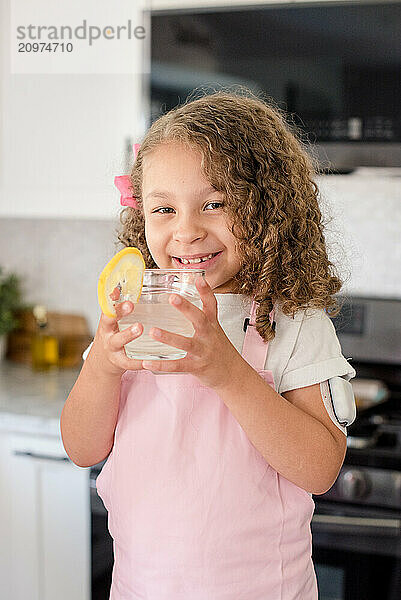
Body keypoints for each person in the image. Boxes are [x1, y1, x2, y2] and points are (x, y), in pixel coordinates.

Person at [61, 90, 356, 599]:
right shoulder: (135, 307)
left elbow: (319, 469)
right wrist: (103, 369)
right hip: (139, 588)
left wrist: (226, 371)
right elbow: (82, 448)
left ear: (267, 209)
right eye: (163, 209)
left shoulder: (291, 321)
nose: (187, 230)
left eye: (215, 204)